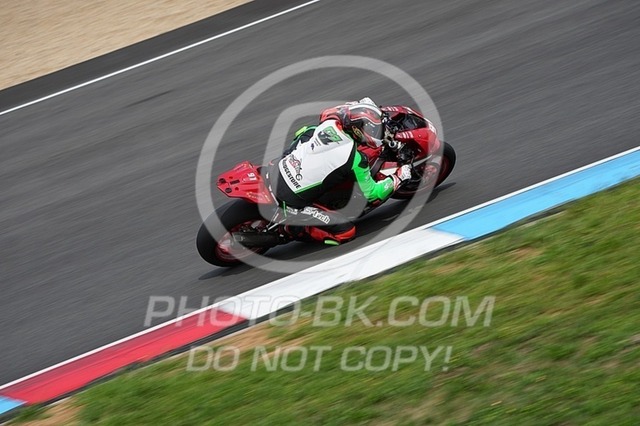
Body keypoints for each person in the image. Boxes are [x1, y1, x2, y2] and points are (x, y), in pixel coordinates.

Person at [268, 97, 411, 245]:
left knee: (309, 131)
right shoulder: (355, 159)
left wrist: (362, 106)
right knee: (346, 232)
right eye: (371, 130)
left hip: (276, 170)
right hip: (291, 202)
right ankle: (291, 229)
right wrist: (399, 177)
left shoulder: (330, 121)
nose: (374, 132)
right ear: (357, 130)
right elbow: (373, 194)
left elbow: (334, 111)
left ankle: (285, 159)